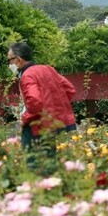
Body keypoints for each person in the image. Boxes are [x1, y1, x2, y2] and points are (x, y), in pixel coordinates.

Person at [8, 42, 77, 171]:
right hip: (51, 124)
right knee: (50, 162)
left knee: (34, 165)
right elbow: (70, 90)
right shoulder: (47, 69)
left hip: (35, 124)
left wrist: (25, 119)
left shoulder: (27, 75)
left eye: (10, 60)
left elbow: (35, 101)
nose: (9, 65)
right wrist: (53, 107)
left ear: (18, 59)